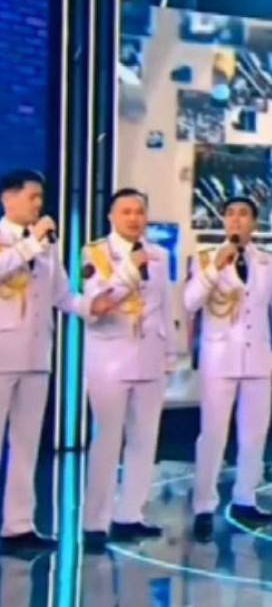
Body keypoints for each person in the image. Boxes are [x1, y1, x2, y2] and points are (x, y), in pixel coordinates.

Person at [184, 197, 272, 540]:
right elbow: (190, 301)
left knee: (254, 434)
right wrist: (215, 268)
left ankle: (245, 499)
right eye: (230, 214)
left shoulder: (268, 262)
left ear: (254, 222)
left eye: (243, 214)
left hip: (257, 358)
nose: (236, 220)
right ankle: (204, 506)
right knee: (213, 434)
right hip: (219, 358)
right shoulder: (207, 258)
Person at [80, 188, 172, 551]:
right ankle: (95, 522)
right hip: (110, 358)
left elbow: (165, 305)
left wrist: (169, 354)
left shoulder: (160, 255)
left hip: (150, 356)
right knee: (106, 440)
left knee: (144, 439)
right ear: (112, 217)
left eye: (139, 212)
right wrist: (131, 268)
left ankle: (129, 515)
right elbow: (98, 300)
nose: (134, 218)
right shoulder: (95, 252)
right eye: (126, 212)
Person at [0, 171, 82, 553]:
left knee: (27, 442)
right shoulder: (18, 240)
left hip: (37, 356)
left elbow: (62, 294)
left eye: (40, 197)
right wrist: (32, 243)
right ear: (8, 198)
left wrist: (93, 306)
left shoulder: (46, 244)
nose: (39, 204)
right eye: (32, 196)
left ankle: (19, 525)